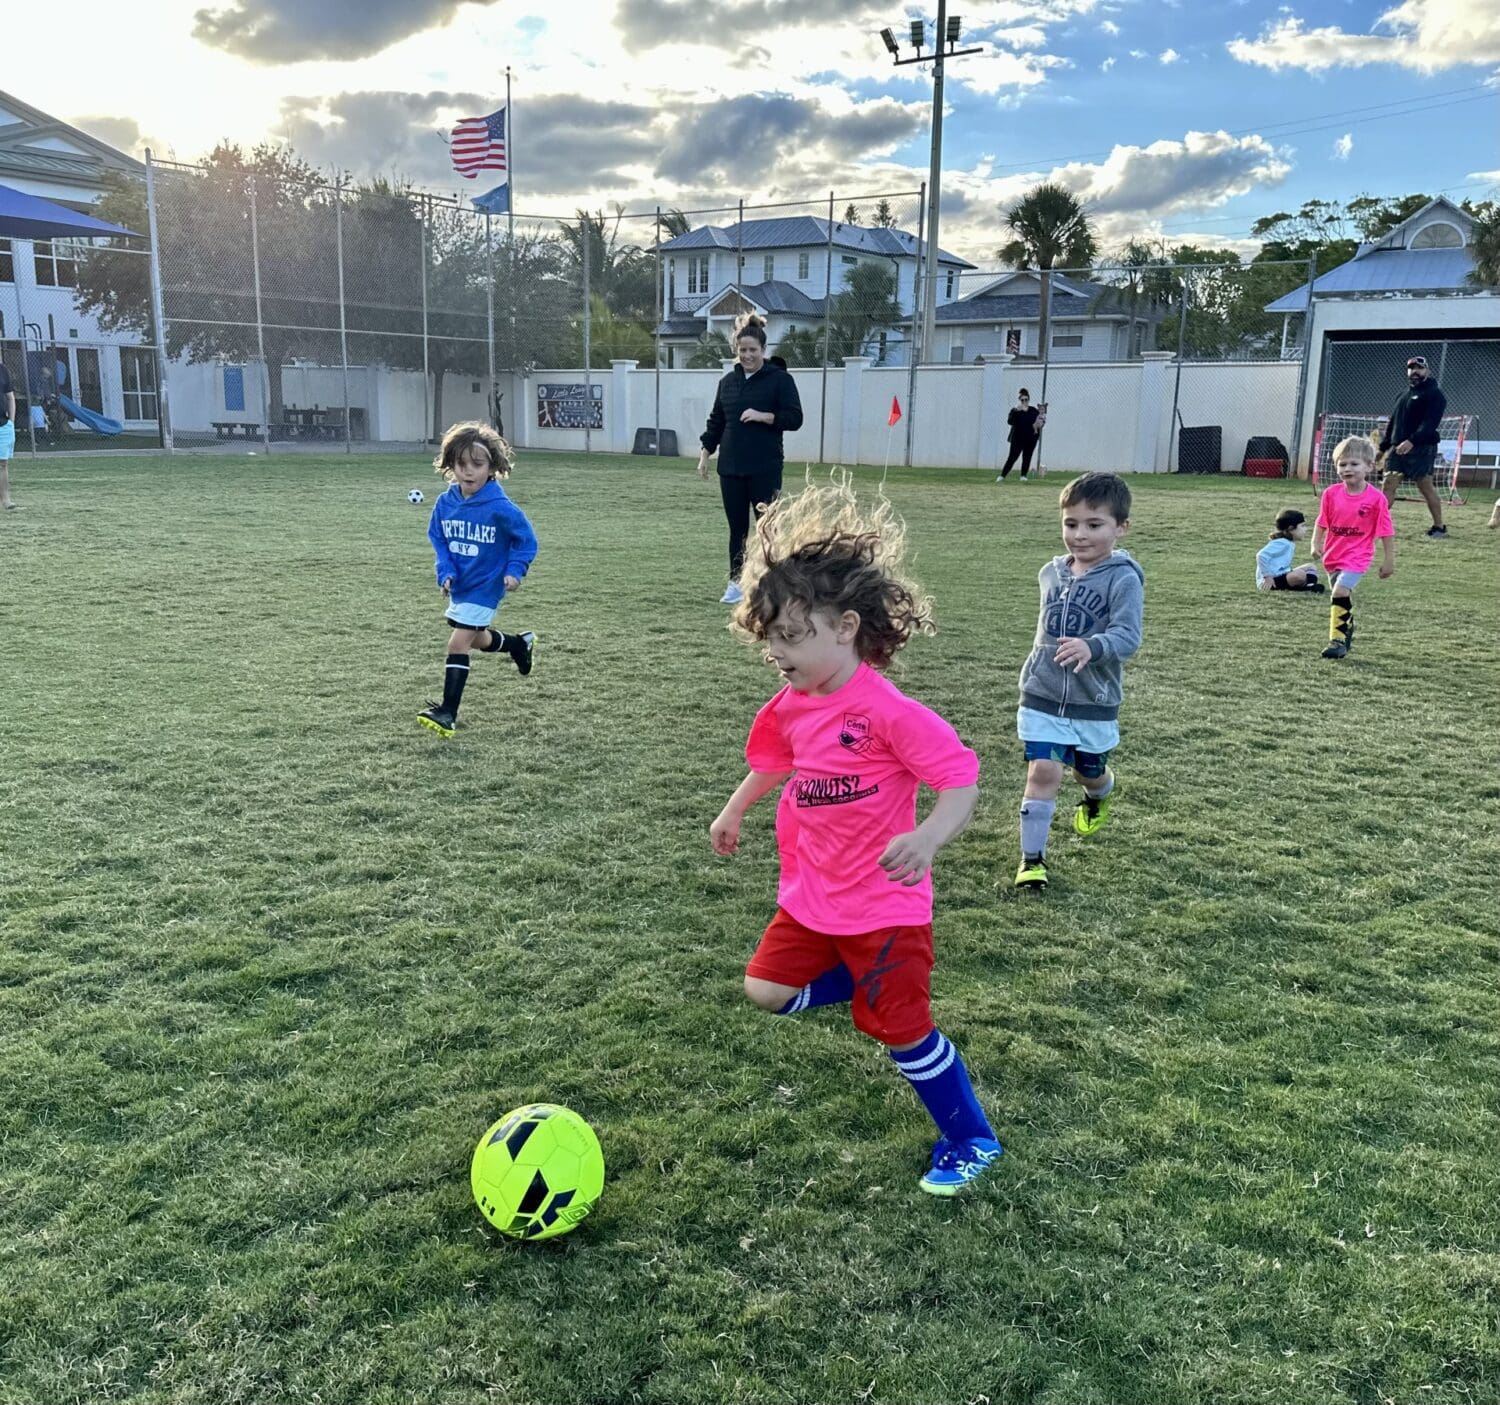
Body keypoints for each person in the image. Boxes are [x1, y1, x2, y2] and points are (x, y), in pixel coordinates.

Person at [709, 476, 1002, 1197]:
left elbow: (961, 779)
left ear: (845, 626)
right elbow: (774, 758)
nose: (777, 654)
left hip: (882, 906)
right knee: (766, 989)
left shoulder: (889, 711)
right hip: (812, 893)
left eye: (791, 636)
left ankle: (971, 1136)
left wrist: (930, 838)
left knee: (902, 1033)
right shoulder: (792, 701)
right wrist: (736, 808)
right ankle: (857, 985)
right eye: (769, 640)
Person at [1013, 472, 1144, 892]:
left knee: (1090, 772)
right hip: (1043, 694)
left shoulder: (1124, 579)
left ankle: (1099, 792)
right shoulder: (1050, 573)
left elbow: (1129, 636)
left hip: (1094, 699)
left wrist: (1094, 646)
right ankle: (1032, 861)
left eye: (1094, 525)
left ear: (1120, 527)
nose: (1080, 535)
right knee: (1044, 772)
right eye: (1071, 524)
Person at [417, 422, 539, 738]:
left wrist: (515, 569)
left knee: (458, 643)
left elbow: (526, 540)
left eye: (478, 464)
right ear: (450, 465)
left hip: (487, 585)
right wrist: (445, 571)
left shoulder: (500, 508)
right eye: (461, 464)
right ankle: (517, 644)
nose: (468, 472)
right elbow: (438, 538)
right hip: (462, 584)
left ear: (492, 467)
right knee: (476, 638)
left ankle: (448, 713)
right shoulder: (446, 503)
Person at [697, 313, 804, 605]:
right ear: (736, 350)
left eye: (752, 350)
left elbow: (795, 418)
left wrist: (763, 416)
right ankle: (736, 583)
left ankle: (774, 585)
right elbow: (717, 421)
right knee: (737, 529)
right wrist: (706, 453)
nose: (747, 355)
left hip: (764, 467)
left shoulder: (779, 380)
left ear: (763, 351)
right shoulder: (727, 383)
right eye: (742, 350)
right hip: (730, 468)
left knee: (768, 528)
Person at [1312, 435, 1395, 660]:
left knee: (1340, 591)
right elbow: (1322, 522)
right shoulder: (1330, 494)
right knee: (1340, 593)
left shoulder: (1376, 499)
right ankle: (1346, 626)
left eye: (1354, 464)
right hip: (1333, 555)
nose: (1347, 468)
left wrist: (1389, 560)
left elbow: (1386, 531)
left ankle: (1336, 641)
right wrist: (1315, 544)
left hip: (1358, 556)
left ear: (1370, 466)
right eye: (1342, 464)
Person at [1379, 354, 1448, 538]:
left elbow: (1430, 423)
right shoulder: (1403, 395)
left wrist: (1412, 441)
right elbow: (1393, 422)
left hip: (1422, 448)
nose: (1414, 371)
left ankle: (1439, 527)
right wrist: (1384, 446)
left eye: (1419, 368)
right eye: (1411, 368)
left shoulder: (1434, 394)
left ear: (1427, 371)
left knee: (1425, 486)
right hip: (1397, 449)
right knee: (1388, 485)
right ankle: (1377, 525)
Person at [1255, 509, 1325, 593]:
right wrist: (1267, 577)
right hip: (1271, 582)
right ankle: (1304, 588)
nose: (1305, 529)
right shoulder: (1282, 543)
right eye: (1302, 526)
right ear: (1291, 528)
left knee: (1311, 567)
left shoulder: (1288, 542)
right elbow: (1261, 555)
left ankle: (1310, 586)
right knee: (1299, 575)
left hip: (1282, 576)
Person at [996, 389, 1042, 481]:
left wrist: (1036, 436)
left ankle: (1023, 476)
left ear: (1028, 400)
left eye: (1026, 399)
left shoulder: (1033, 411)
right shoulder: (1015, 411)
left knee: (1027, 457)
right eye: (1022, 400)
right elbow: (1010, 421)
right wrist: (1016, 410)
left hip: (1030, 439)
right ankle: (1002, 476)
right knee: (1012, 457)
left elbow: (1039, 423)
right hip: (1017, 439)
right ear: (1020, 400)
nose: (1024, 402)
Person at [0, 357, 16, 511]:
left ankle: (6, 501)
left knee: (2, 464)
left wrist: (11, 421)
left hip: (3, 424)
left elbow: (10, 397)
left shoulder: (3, 370)